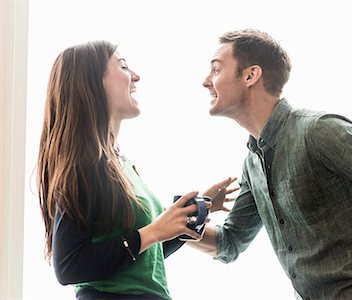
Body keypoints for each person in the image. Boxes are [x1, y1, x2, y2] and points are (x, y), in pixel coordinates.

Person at [190, 29, 352, 300]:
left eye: (216, 70)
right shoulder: (253, 163)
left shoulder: (318, 131)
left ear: (250, 75)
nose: (205, 82)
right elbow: (230, 242)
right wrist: (183, 220)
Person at [37, 40, 233, 300]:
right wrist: (153, 231)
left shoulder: (120, 164)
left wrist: (194, 212)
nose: (135, 76)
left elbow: (143, 255)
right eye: (124, 66)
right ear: (92, 82)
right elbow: (69, 266)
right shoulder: (84, 164)